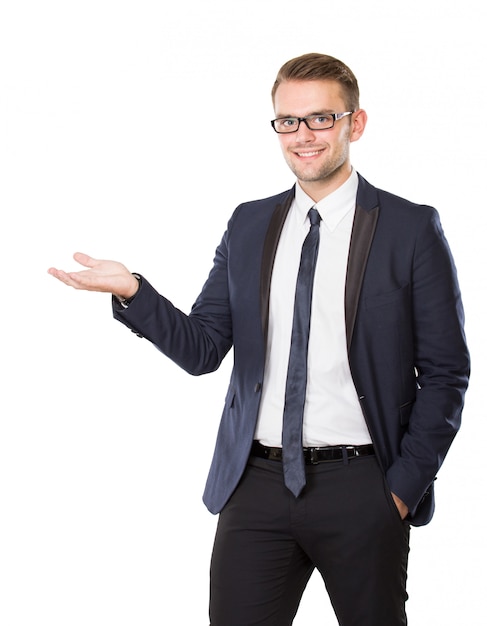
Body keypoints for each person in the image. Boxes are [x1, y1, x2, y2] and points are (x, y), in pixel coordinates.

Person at [48, 53, 470, 625]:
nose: (303, 135)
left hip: (364, 487)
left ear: (356, 123)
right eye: (288, 121)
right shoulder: (249, 224)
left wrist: (400, 490)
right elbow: (203, 348)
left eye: (321, 118)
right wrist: (132, 292)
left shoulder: (410, 227)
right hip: (256, 488)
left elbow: (446, 374)